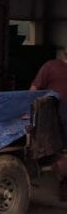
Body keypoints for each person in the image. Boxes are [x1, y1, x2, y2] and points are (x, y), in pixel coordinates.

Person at [30, 45, 67, 200]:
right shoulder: (51, 66)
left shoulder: (50, 66)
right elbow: (33, 91)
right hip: (55, 122)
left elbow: (33, 90)